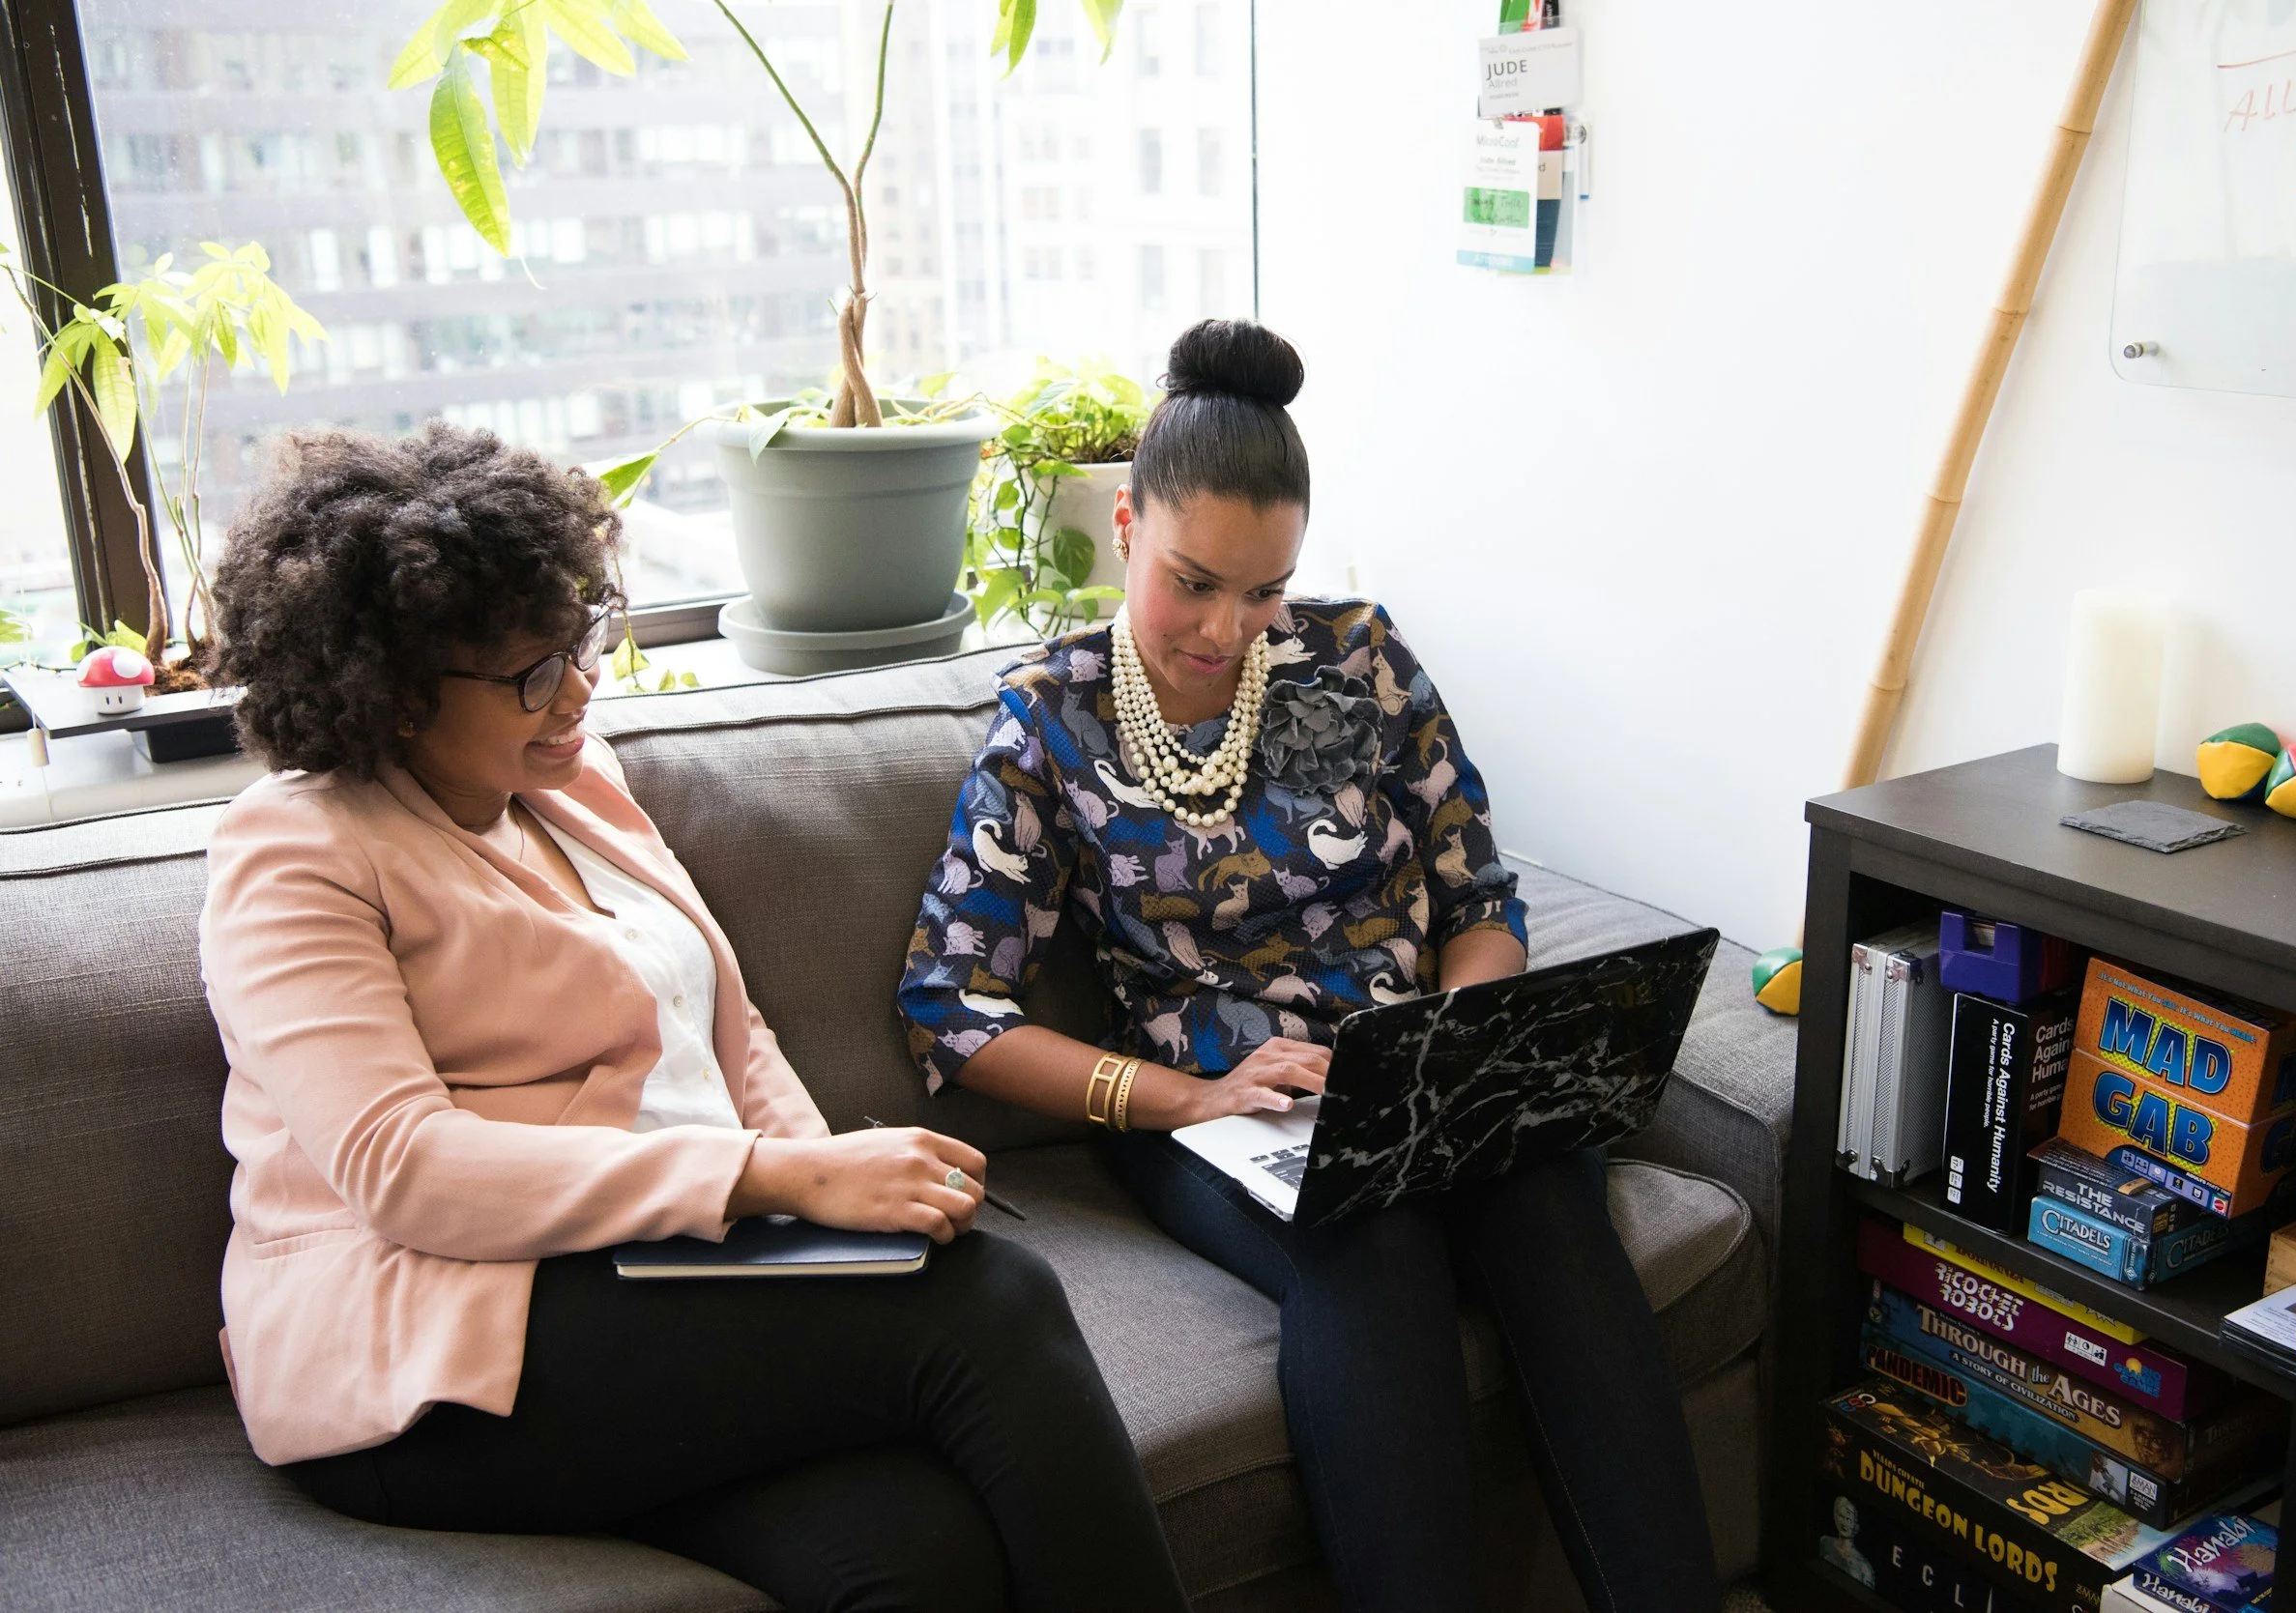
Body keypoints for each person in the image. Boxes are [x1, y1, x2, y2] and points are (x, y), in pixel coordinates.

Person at [200, 422, 1187, 1613]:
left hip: (649, 1285)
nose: (578, 686)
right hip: (428, 1352)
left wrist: (837, 1190)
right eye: (529, 673)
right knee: (995, 1300)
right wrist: (774, 1180)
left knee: (917, 1557)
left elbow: (732, 1030)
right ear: (396, 694)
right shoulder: (296, 850)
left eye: (580, 637)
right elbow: (402, 1168)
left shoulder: (574, 785)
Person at [899, 319, 1723, 1613]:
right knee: (1369, 1234)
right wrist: (1189, 1096)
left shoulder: (1348, 663)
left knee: (1547, 1199)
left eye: (1264, 588)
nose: (1230, 628)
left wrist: (1461, 1041)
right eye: (1194, 581)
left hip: (1415, 1069)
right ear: (1125, 526)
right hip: (1223, 1110)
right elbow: (951, 1014)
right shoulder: (1051, 723)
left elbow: (1478, 892)